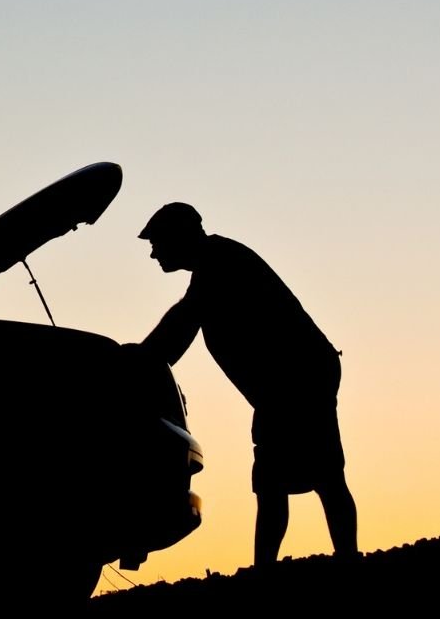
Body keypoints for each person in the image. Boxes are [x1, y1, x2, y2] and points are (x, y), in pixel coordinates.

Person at [131, 202, 358, 571]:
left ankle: (322, 563)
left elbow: (180, 326)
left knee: (314, 476)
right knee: (285, 478)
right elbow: (180, 327)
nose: (154, 253)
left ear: (180, 236)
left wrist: (137, 362)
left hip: (298, 379)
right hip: (289, 384)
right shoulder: (214, 263)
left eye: (157, 242)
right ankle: (291, 565)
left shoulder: (218, 263)